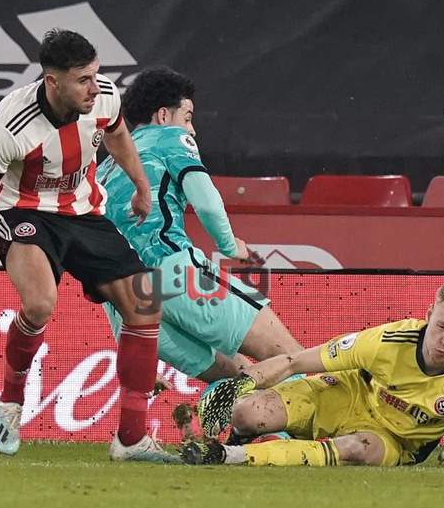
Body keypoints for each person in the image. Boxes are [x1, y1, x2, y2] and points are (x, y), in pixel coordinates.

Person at [0, 29, 176, 463]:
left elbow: (117, 136)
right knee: (39, 304)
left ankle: (131, 438)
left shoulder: (105, 97)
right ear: (53, 82)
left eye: (95, 75)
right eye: (82, 80)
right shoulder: (12, 124)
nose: (95, 87)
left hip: (84, 213)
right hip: (25, 213)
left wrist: (141, 186)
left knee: (146, 304)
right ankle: (10, 403)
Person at [96, 67, 303, 382]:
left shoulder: (104, 167)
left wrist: (129, 345)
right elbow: (206, 201)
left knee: (235, 380)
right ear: (163, 115)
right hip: (171, 274)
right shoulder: (169, 137)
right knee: (291, 358)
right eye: (188, 118)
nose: (191, 130)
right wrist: (230, 245)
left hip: (127, 304)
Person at [184, 282, 444, 469]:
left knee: (356, 449)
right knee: (246, 412)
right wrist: (240, 384)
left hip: (393, 440)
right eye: (440, 326)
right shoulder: (386, 341)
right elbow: (293, 362)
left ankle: (229, 456)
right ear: (428, 315)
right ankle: (240, 436)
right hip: (346, 396)